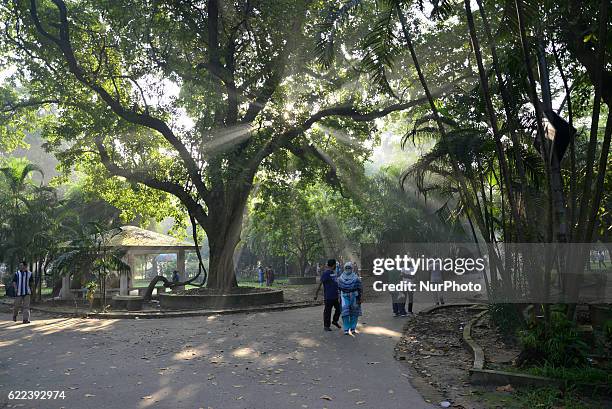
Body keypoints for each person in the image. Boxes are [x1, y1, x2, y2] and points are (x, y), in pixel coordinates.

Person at [314, 259, 341, 331]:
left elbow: (335, 283)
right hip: (328, 297)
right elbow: (320, 283)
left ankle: (335, 321)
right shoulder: (326, 273)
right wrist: (316, 294)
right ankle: (326, 326)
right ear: (334, 265)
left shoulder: (333, 273)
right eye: (336, 264)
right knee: (327, 311)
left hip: (335, 296)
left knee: (339, 309)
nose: (336, 266)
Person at [338, 262, 362, 335]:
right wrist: (338, 297)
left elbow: (360, 288)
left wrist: (360, 297)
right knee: (345, 312)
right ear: (344, 268)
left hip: (354, 295)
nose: (348, 269)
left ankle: (353, 328)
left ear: (352, 269)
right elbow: (338, 289)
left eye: (349, 268)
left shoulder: (356, 278)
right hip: (344, 296)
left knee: (354, 313)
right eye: (346, 268)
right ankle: (346, 328)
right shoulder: (340, 279)